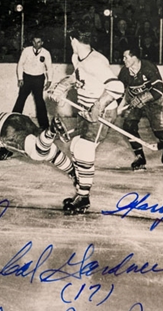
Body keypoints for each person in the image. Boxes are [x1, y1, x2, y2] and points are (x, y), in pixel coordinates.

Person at [47, 25, 125, 215]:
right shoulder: (78, 58)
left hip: (102, 112)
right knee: (74, 146)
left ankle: (83, 197)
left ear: (73, 39)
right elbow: (77, 77)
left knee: (83, 149)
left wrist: (98, 106)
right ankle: (82, 189)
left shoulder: (96, 62)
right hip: (84, 109)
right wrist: (63, 85)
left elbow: (117, 87)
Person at [0, 112, 74, 192]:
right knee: (47, 149)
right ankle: (73, 171)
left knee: (37, 153)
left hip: (6, 129)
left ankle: (51, 131)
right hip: (19, 118)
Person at [117, 46, 163, 170]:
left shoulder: (148, 68)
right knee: (128, 127)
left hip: (153, 102)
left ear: (134, 57)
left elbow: (159, 89)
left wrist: (142, 98)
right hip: (134, 101)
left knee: (159, 130)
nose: (123, 60)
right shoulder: (124, 72)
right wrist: (116, 106)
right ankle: (140, 157)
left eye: (126, 57)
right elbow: (118, 90)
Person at [12, 34, 52, 129]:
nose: (36, 44)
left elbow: (49, 67)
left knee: (39, 101)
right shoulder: (26, 51)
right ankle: (13, 121)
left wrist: (49, 80)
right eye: (34, 42)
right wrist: (20, 78)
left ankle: (44, 125)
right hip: (27, 78)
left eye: (38, 42)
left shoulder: (46, 53)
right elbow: (20, 64)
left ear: (42, 43)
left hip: (39, 79)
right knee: (21, 99)